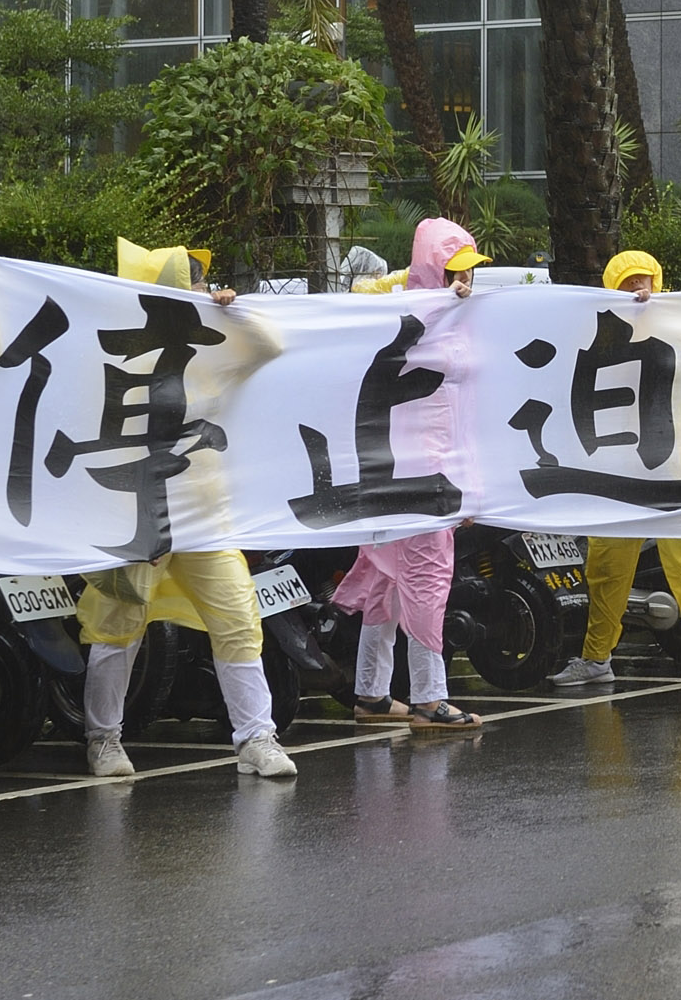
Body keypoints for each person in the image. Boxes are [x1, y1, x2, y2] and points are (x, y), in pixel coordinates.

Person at [76, 242, 298, 780]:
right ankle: (103, 739)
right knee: (118, 626)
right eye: (194, 280)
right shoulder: (115, 344)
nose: (205, 284)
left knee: (238, 618)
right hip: (137, 510)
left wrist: (231, 311)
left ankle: (256, 737)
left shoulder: (211, 342)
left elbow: (272, 347)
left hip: (202, 514)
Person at [549, 249, 681, 694]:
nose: (638, 289)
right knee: (606, 567)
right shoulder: (597, 330)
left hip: (673, 468)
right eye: (628, 283)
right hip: (618, 471)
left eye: (644, 280)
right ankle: (597, 657)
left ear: (658, 281)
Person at [337, 218, 488, 731]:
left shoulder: (446, 314)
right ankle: (428, 696)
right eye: (455, 271)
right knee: (426, 580)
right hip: (420, 473)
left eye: (470, 272)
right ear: (433, 268)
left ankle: (372, 693)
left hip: (394, 468)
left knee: (387, 578)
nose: (466, 282)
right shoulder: (401, 307)